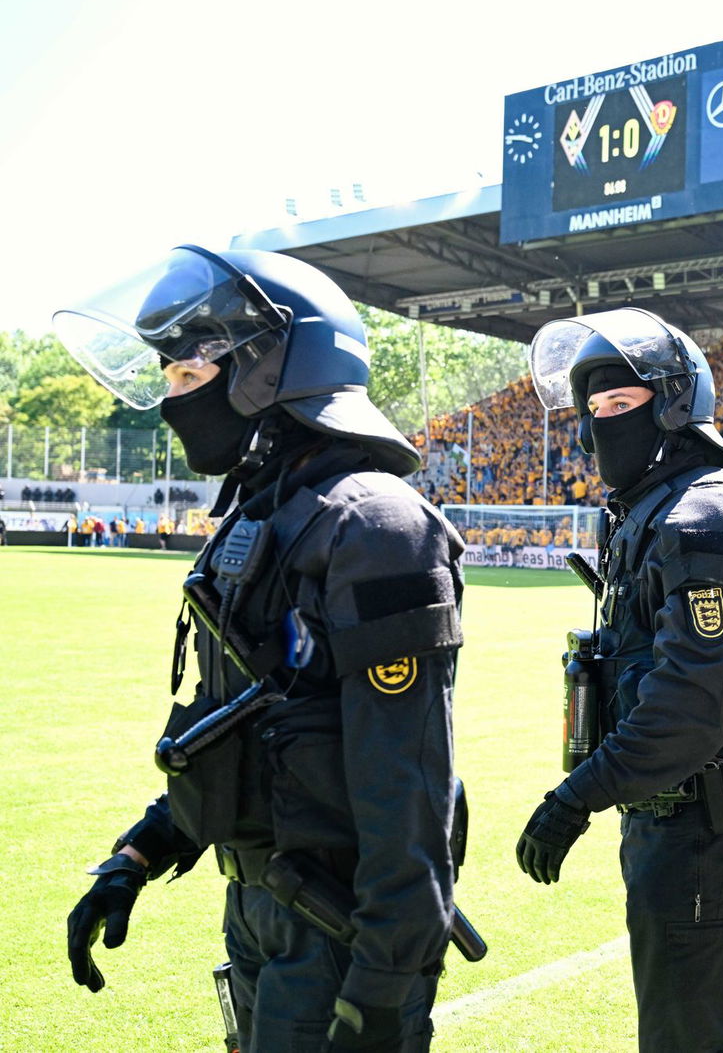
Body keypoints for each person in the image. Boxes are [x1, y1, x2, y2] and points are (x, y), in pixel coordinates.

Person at [57, 245, 465, 1049]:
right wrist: (142, 850)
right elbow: (240, 723)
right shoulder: (264, 517)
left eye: (187, 375)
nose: (172, 400)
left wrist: (386, 981)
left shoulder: (374, 526)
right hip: (261, 910)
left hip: (339, 930)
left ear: (265, 368)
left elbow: (407, 788)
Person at [516, 308, 723, 1053]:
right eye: (595, 409)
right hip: (674, 823)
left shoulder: (702, 518)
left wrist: (574, 797)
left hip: (709, 828)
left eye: (622, 404)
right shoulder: (655, 510)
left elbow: (690, 704)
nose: (601, 424)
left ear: (673, 404)